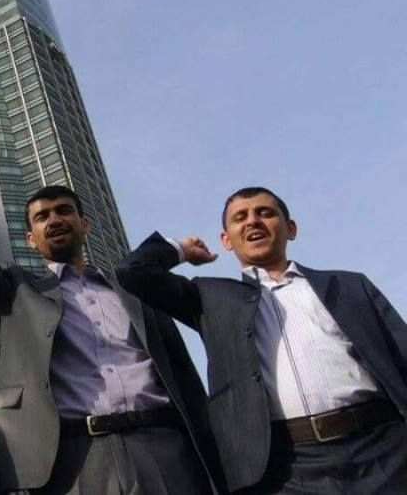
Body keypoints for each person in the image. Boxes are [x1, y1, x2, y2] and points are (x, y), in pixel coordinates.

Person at [0, 116, 222, 494]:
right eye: (42, 217)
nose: (54, 219)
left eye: (63, 210)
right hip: (75, 460)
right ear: (31, 239)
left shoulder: (134, 290)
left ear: (84, 225)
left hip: (164, 449)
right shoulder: (16, 293)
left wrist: (179, 249)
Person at [115, 187, 407, 493]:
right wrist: (181, 250)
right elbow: (132, 272)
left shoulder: (349, 285)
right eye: (240, 218)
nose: (252, 221)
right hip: (288, 469)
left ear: (290, 229)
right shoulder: (210, 299)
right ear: (226, 240)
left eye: (265, 213)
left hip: (383, 450)